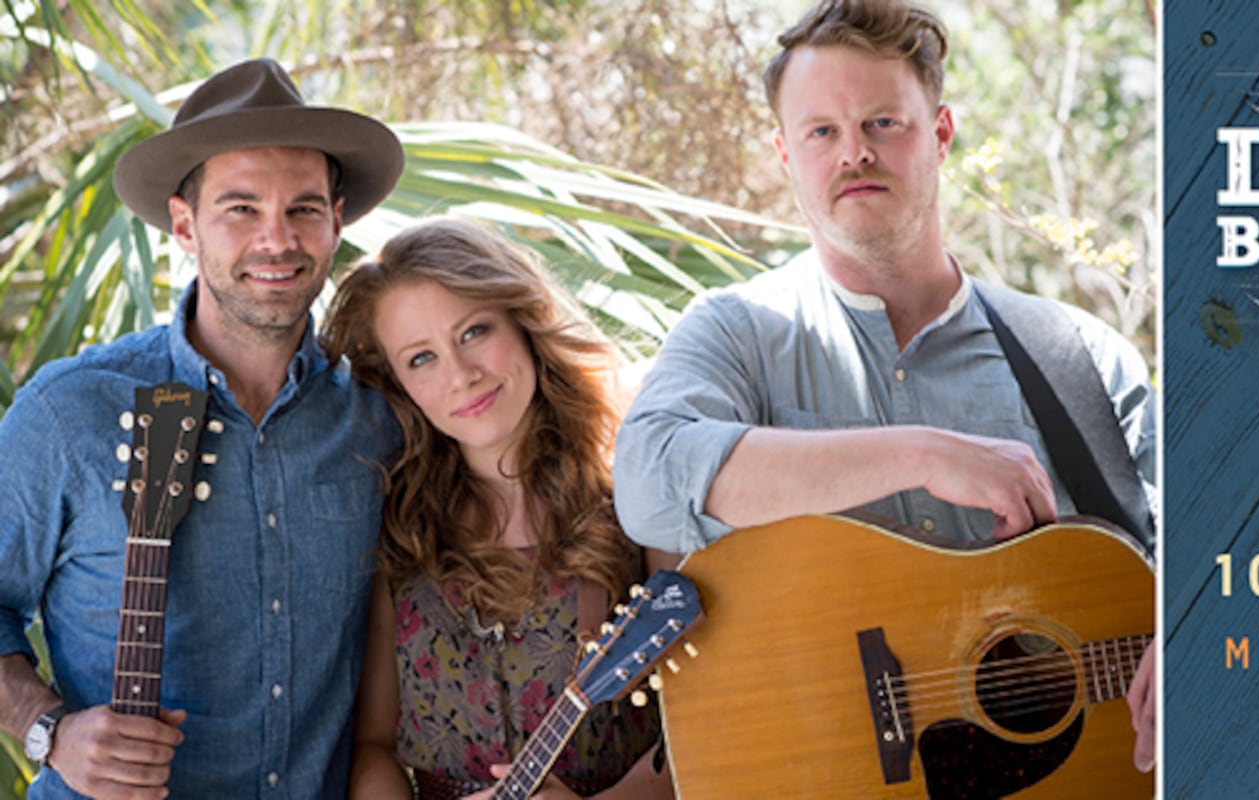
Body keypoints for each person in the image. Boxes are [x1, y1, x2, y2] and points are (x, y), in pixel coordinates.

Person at [611, 0, 1158, 774]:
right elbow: (647, 476)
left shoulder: (1080, 359)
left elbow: (1219, 550)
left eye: (883, 124)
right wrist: (922, 456)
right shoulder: (736, 332)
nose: (853, 154)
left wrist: (1192, 624)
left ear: (939, 133)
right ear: (785, 154)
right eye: (822, 132)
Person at [0, 58, 404, 797]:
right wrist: (48, 730)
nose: (277, 240)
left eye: (304, 209)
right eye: (241, 208)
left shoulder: (382, 417)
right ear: (185, 224)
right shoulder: (71, 412)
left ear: (337, 220)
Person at [321, 218, 675, 800]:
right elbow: (375, 748)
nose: (462, 375)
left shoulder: (637, 491)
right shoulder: (398, 527)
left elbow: (708, 719)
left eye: (474, 331)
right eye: (421, 359)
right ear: (397, 383)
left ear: (523, 319)